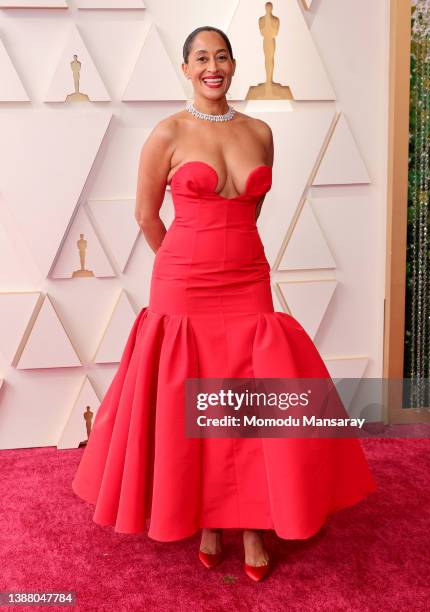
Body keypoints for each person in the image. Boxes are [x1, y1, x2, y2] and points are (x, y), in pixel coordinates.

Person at [72, 26, 377, 582]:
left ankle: (255, 525)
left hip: (247, 277)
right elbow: (145, 216)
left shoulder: (259, 132)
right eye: (201, 58)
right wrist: (183, 266)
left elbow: (250, 210)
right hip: (183, 281)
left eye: (222, 57)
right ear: (186, 69)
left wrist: (230, 255)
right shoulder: (166, 134)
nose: (212, 66)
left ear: (234, 65)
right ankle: (209, 522)